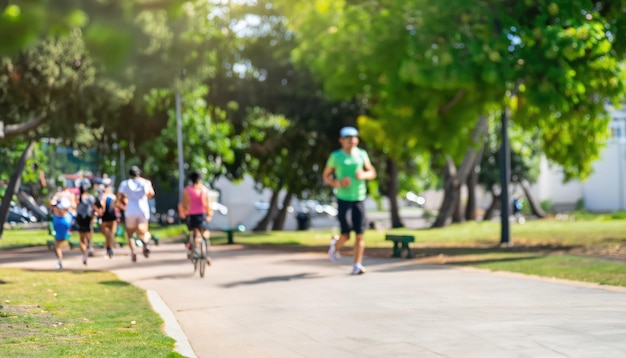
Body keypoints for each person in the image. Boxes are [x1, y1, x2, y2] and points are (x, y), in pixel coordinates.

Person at [322, 126, 377, 275]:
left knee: (360, 234)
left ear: (357, 140)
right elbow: (326, 176)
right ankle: (335, 245)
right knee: (346, 234)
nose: (351, 141)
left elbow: (372, 172)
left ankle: (357, 264)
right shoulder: (336, 156)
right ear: (341, 140)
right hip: (343, 198)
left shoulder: (361, 154)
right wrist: (338, 183)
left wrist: (363, 175)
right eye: (348, 138)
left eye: (354, 138)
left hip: (359, 198)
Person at [117, 166, 155, 262]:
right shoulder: (145, 182)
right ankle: (145, 243)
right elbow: (151, 194)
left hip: (130, 209)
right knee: (144, 231)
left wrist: (120, 205)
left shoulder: (125, 183)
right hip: (143, 208)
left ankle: (133, 251)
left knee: (130, 233)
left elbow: (119, 197)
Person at [178, 170, 213, 265]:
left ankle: (194, 249)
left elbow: (184, 204)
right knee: (205, 233)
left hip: (191, 216)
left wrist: (184, 214)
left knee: (194, 234)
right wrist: (209, 214)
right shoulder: (204, 190)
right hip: (202, 215)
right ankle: (205, 252)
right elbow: (208, 204)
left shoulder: (187, 190)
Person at [75, 180, 97, 265]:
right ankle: (90, 247)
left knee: (81, 240)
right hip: (88, 218)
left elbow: (76, 207)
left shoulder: (78, 198)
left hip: (81, 219)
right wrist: (93, 217)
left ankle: (85, 254)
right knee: (89, 234)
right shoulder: (90, 198)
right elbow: (94, 208)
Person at [95, 178, 118, 259]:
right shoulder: (112, 196)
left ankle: (109, 248)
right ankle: (110, 248)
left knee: (108, 234)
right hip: (112, 217)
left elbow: (102, 209)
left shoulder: (102, 197)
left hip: (105, 218)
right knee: (111, 233)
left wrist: (97, 211)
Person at [50, 198, 74, 270]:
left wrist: (54, 200)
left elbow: (51, 204)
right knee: (59, 243)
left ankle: (60, 260)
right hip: (66, 223)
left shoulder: (56, 210)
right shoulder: (68, 212)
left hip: (59, 223)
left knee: (57, 245)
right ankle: (60, 258)